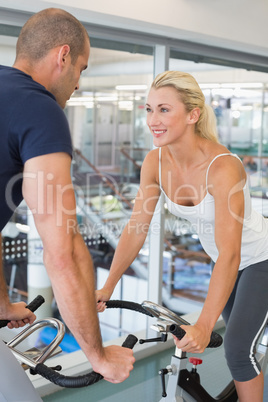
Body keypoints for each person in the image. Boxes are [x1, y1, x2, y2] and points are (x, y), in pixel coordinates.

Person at [96, 70, 268, 401]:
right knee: (239, 343)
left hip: (260, 257)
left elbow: (231, 251)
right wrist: (108, 284)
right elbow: (136, 227)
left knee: (237, 351)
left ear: (193, 115)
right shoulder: (155, 162)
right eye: (148, 109)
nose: (152, 119)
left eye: (164, 109)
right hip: (225, 260)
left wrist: (204, 325)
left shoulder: (223, 167)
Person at [0, 7, 135, 389]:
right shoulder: (38, 107)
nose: (78, 83)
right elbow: (63, 248)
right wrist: (100, 356)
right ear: (63, 56)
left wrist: (3, 303)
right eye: (82, 68)